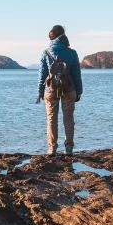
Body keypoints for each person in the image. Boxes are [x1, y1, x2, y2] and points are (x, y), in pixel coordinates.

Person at [36, 25, 83, 155]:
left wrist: (40, 90)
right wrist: (79, 91)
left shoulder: (46, 52)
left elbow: (42, 74)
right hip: (69, 88)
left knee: (51, 118)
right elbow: (76, 74)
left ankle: (52, 148)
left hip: (51, 89)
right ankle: (68, 148)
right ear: (63, 36)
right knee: (68, 118)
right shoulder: (72, 53)